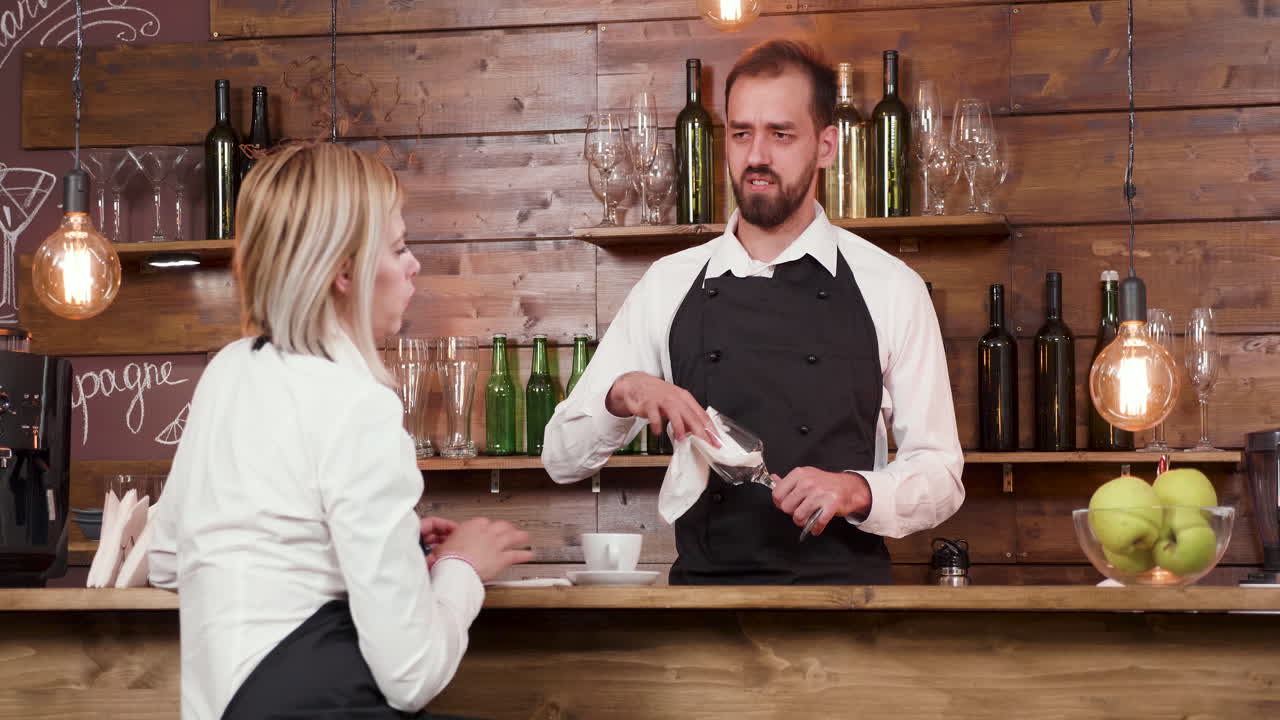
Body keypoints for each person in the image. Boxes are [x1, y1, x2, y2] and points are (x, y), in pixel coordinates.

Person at [542, 40, 964, 585]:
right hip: (703, 605)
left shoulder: (891, 287)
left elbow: (941, 473)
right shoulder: (668, 284)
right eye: (742, 133)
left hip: (846, 605)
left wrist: (858, 489)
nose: (757, 156)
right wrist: (623, 392)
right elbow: (561, 458)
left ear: (826, 146)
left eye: (781, 134)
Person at [149, 142, 533, 719]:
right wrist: (462, 570)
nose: (413, 264)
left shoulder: (227, 370)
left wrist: (355, 542)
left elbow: (168, 561)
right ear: (344, 272)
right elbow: (412, 675)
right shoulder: (359, 406)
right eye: (399, 247)